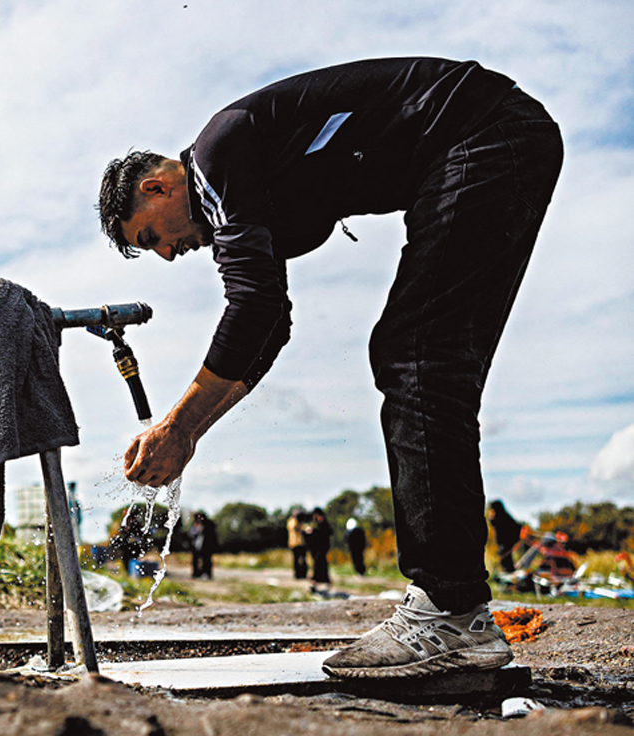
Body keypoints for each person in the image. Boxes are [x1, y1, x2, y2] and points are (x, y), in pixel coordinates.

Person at [99, 57, 562, 679]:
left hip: (480, 131)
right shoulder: (240, 190)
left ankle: (448, 614)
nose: (166, 255)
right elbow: (269, 326)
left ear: (158, 187)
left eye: (152, 236)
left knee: (416, 353)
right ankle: (456, 613)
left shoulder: (215, 157)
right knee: (424, 356)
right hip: (490, 140)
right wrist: (189, 432)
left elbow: (254, 305)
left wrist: (178, 425)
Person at [488, 500, 523, 573]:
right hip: (504, 542)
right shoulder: (502, 516)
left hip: (507, 542)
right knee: (505, 559)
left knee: (505, 559)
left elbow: (516, 527)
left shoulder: (503, 517)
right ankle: (508, 572)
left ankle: (509, 572)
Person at [305, 508, 332, 593]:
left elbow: (326, 534)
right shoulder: (315, 524)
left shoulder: (324, 525)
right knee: (317, 565)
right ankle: (316, 583)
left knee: (321, 564)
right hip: (315, 549)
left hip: (322, 548)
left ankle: (321, 583)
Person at [188, 510, 218, 579]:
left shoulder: (208, 525)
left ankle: (206, 573)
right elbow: (191, 535)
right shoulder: (193, 525)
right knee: (195, 560)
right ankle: (196, 573)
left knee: (206, 560)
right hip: (196, 545)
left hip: (206, 546)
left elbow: (212, 536)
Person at [287, 509, 309, 580]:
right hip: (294, 543)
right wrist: (297, 520)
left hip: (301, 542)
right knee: (296, 559)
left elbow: (305, 528)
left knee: (303, 559)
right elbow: (294, 527)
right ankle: (297, 574)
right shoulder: (291, 521)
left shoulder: (301, 522)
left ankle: (303, 574)